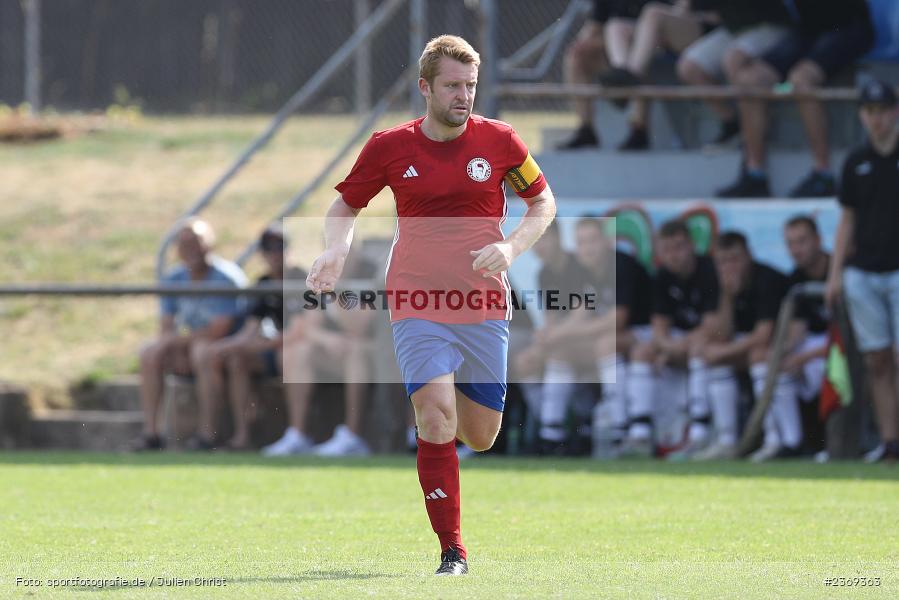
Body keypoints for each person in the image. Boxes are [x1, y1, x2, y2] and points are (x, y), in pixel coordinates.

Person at [305, 35, 556, 575]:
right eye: (452, 86)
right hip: (416, 298)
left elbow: (542, 202)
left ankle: (443, 433)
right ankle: (453, 550)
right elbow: (344, 207)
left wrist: (511, 245)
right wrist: (335, 250)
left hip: (484, 305)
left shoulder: (502, 142)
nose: (463, 96)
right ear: (425, 88)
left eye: (470, 85)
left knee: (481, 436)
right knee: (436, 412)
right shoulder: (390, 147)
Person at [717, 0, 874, 198]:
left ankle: (823, 173)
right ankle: (755, 173)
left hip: (847, 26)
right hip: (810, 29)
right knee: (749, 80)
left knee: (802, 79)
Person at [826, 79, 899, 463]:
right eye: (869, 112)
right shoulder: (856, 162)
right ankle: (890, 442)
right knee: (877, 360)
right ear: (862, 116)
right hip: (865, 272)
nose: (877, 120)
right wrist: (835, 274)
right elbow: (847, 221)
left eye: (883, 111)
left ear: (894, 112)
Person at [134, 218, 247, 450]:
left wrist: (178, 343)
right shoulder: (174, 279)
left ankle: (207, 435)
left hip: (228, 348)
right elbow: (166, 326)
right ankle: (151, 433)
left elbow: (219, 330)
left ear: (210, 245)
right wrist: (173, 347)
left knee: (202, 352)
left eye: (197, 242)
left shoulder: (226, 277)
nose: (191, 249)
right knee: (150, 352)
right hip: (192, 345)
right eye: (184, 244)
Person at [189, 226, 302, 450]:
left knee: (288, 354)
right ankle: (240, 437)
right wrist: (223, 348)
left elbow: (301, 332)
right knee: (235, 359)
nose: (275, 254)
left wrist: (256, 346)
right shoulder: (264, 283)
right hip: (276, 348)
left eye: (280, 248)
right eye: (269, 249)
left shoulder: (303, 278)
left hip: (302, 349)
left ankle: (297, 435)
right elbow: (249, 331)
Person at [264, 247, 378, 457]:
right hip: (338, 350)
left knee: (355, 351)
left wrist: (336, 291)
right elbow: (309, 327)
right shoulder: (323, 277)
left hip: (375, 353)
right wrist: (328, 339)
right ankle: (298, 435)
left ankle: (353, 437)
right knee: (300, 350)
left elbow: (358, 328)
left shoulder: (369, 275)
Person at [627, 219, 719, 459]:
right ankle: (640, 432)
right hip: (678, 345)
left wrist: (673, 349)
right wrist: (669, 348)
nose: (674, 255)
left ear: (691, 245)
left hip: (705, 342)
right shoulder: (662, 277)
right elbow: (659, 330)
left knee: (700, 347)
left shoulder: (710, 270)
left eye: (679, 247)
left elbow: (712, 326)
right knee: (643, 352)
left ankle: (701, 430)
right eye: (667, 249)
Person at [559, 0, 701, 151]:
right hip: (620, 50)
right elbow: (595, 26)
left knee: (637, 50)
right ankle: (586, 130)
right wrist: (581, 45)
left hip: (659, 43)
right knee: (577, 55)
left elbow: (681, 11)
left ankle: (639, 129)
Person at [701, 231, 790, 460]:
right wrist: (727, 297)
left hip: (787, 345)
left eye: (734, 259)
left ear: (749, 255)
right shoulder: (719, 284)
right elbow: (721, 333)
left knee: (757, 356)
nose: (729, 266)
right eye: (723, 261)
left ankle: (775, 439)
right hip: (749, 347)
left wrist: (721, 352)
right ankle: (726, 441)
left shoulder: (768, 279)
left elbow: (764, 336)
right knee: (713, 359)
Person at [675, 0, 791, 148]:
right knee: (690, 67)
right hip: (735, 28)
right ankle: (732, 123)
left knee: (733, 59)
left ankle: (752, 134)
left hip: (773, 24)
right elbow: (692, 8)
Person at [777, 215, 830, 458]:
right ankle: (791, 441)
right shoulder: (794, 279)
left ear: (818, 240)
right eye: (790, 243)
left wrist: (803, 358)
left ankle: (830, 444)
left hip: (841, 347)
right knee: (780, 366)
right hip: (815, 347)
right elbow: (797, 330)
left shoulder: (838, 271)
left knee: (818, 369)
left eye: (802, 241)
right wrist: (784, 353)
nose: (796, 249)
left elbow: (848, 338)